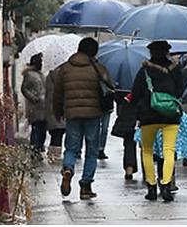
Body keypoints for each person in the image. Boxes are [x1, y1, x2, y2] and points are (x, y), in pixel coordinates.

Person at [53, 37, 112, 200]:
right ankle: (86, 186)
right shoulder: (98, 68)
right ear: (94, 51)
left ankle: (68, 169)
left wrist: (57, 111)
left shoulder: (65, 69)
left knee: (71, 148)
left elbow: (57, 93)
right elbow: (109, 87)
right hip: (93, 114)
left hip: (72, 114)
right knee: (91, 151)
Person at [131, 40, 183, 202]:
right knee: (169, 150)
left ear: (151, 53)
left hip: (148, 115)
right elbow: (180, 90)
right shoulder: (175, 70)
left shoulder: (144, 70)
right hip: (170, 115)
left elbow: (135, 93)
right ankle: (166, 186)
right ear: (167, 52)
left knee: (147, 151)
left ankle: (151, 187)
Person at [21, 53, 46, 154]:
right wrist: (33, 98)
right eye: (40, 61)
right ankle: (34, 148)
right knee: (36, 128)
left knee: (43, 129)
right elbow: (24, 89)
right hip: (34, 106)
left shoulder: (41, 74)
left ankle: (40, 146)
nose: (42, 63)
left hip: (44, 106)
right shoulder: (29, 74)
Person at [111, 90, 138, 180]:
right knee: (147, 146)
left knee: (129, 141)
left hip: (128, 111)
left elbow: (116, 95)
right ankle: (148, 172)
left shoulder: (123, 79)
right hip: (146, 109)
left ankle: (129, 168)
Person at [45, 68, 65, 164]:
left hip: (50, 106)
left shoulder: (49, 76)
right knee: (59, 131)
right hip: (60, 106)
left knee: (55, 131)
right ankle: (56, 154)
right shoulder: (63, 76)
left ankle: (52, 152)